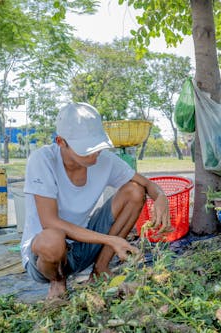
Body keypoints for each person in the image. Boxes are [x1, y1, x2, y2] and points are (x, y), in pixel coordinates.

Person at [20, 102, 170, 300]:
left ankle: (100, 269)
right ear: (61, 142)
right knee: (52, 239)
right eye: (86, 149)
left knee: (135, 191)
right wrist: (110, 239)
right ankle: (57, 282)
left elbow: (147, 185)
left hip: (84, 247)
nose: (94, 154)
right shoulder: (42, 160)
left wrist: (161, 197)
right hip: (48, 258)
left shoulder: (103, 159)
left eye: (96, 147)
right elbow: (50, 222)